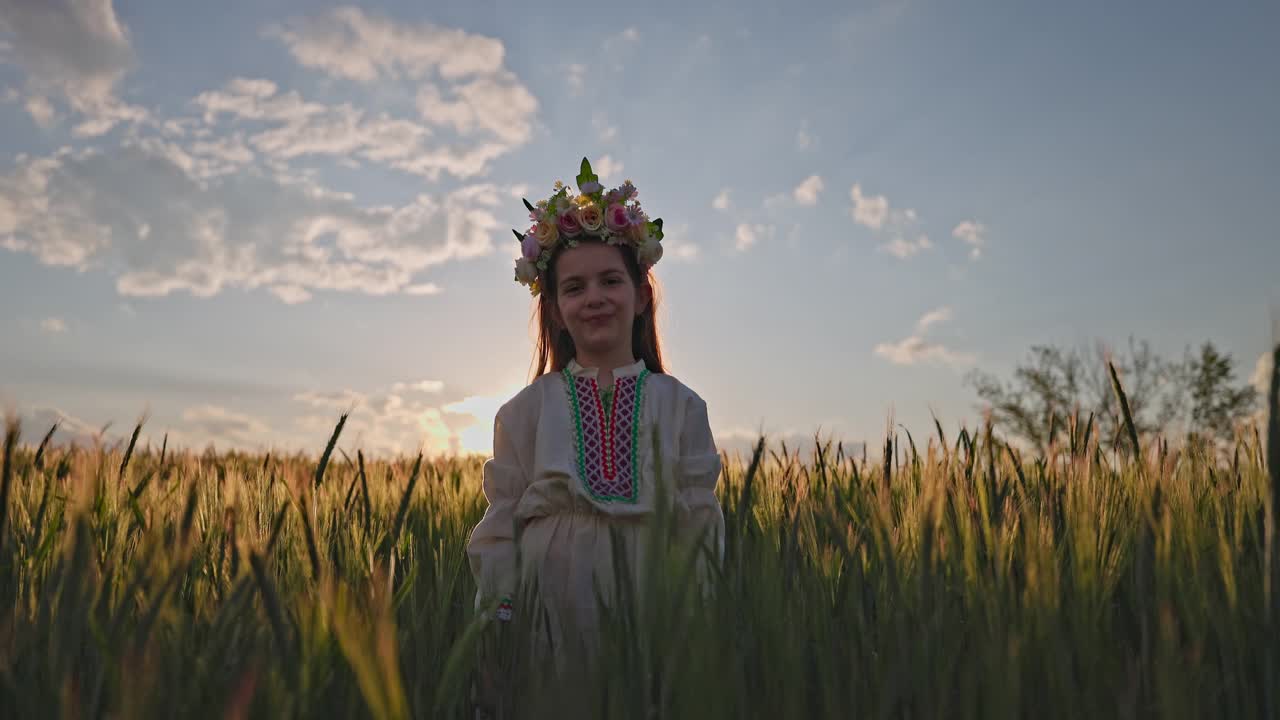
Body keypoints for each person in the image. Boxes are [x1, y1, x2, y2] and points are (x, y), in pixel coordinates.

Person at [466, 158, 725, 713]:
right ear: (556, 311)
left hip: (649, 605)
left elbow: (698, 521)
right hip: (549, 613)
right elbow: (502, 524)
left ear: (642, 294)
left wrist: (695, 617)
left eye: (611, 280)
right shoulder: (525, 412)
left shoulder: (681, 407)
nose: (595, 298)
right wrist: (500, 617)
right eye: (575, 287)